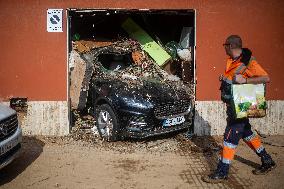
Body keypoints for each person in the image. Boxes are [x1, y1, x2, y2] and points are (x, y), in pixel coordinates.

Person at [202, 35, 276, 183]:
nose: (223, 48)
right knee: (247, 134)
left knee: (229, 138)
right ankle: (267, 160)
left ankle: (222, 172)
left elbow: (265, 78)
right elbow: (232, 79)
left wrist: (246, 80)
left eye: (224, 45)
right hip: (233, 106)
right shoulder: (232, 61)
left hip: (240, 108)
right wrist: (224, 79)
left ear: (230, 46)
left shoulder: (249, 62)